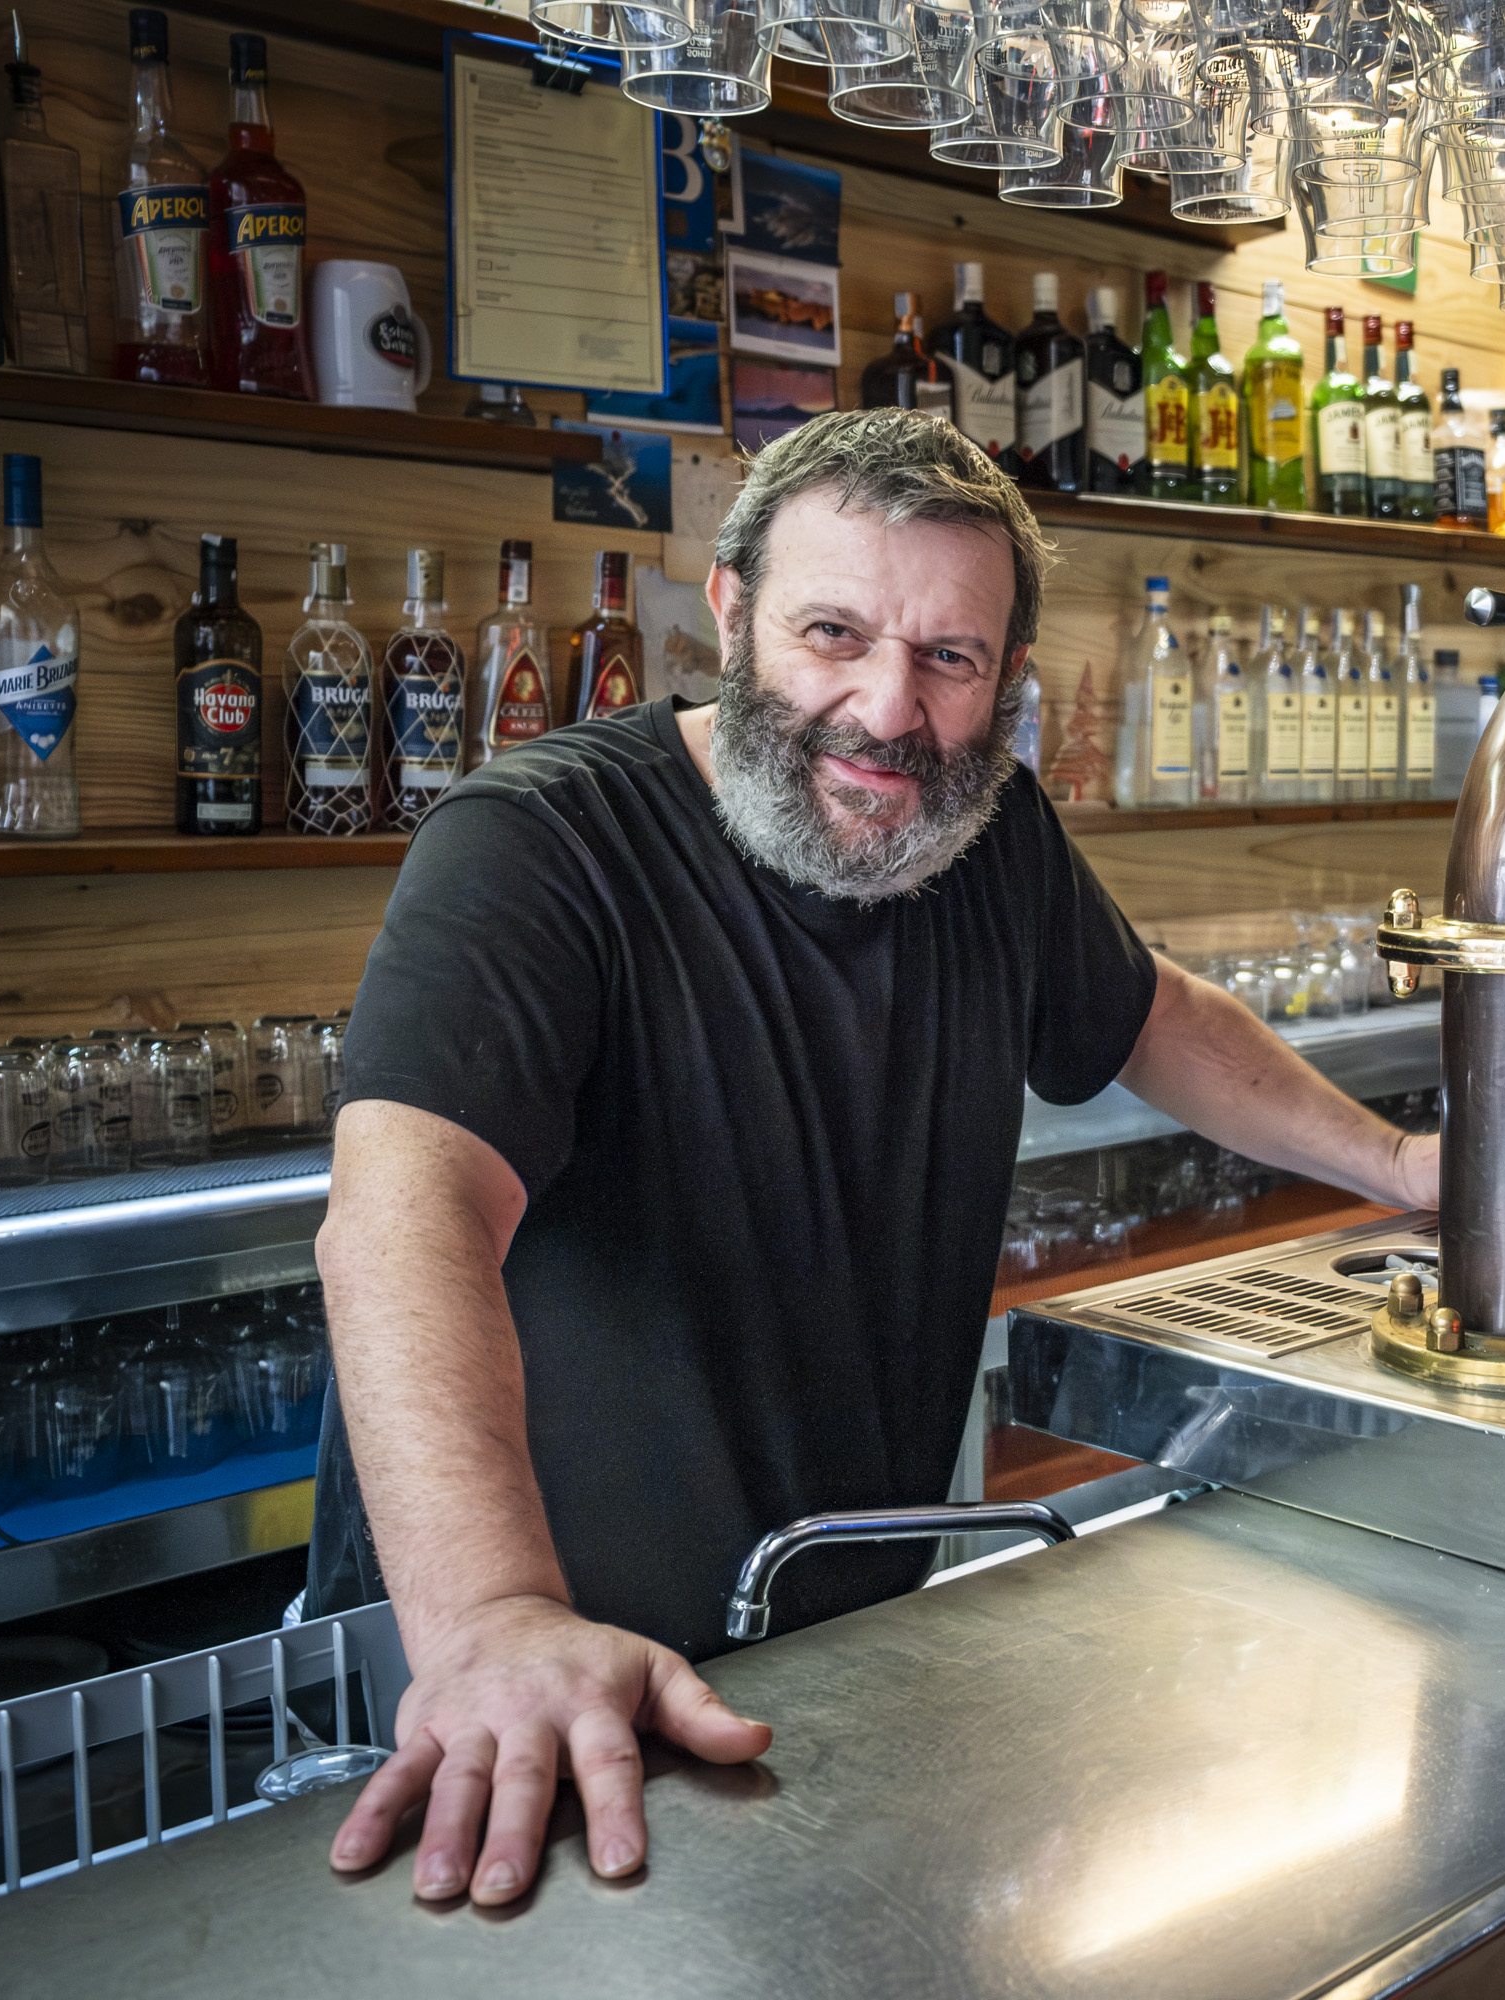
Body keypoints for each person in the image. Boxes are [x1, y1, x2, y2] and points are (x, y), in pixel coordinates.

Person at [307, 410, 1441, 1907]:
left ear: (1007, 678)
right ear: (729, 611)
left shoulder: (988, 840)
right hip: (523, 1700)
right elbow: (405, 1215)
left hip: (829, 1658)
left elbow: (1151, 1013)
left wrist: (1405, 1168)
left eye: (949, 660)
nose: (886, 710)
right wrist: (495, 1620)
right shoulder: (538, 844)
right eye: (831, 633)